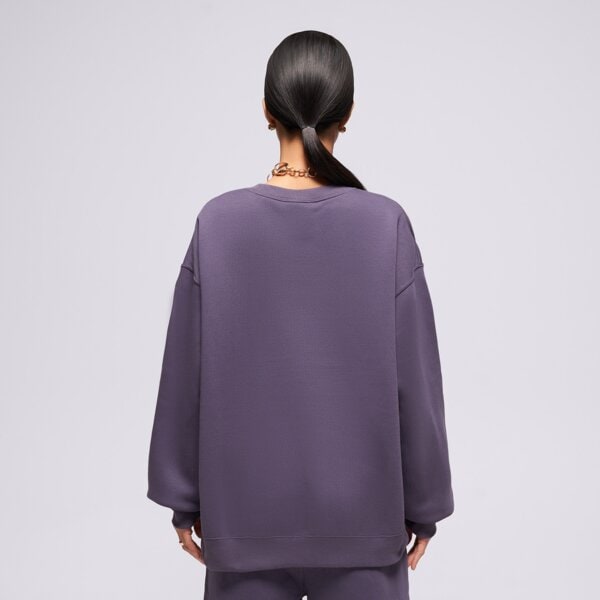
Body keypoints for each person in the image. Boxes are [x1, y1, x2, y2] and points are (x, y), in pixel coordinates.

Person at [146, 30, 454, 599]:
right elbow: (416, 379)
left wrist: (181, 499)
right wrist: (426, 504)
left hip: (244, 525)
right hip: (364, 527)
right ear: (348, 113)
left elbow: (183, 373)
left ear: (267, 110)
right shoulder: (384, 225)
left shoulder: (218, 224)